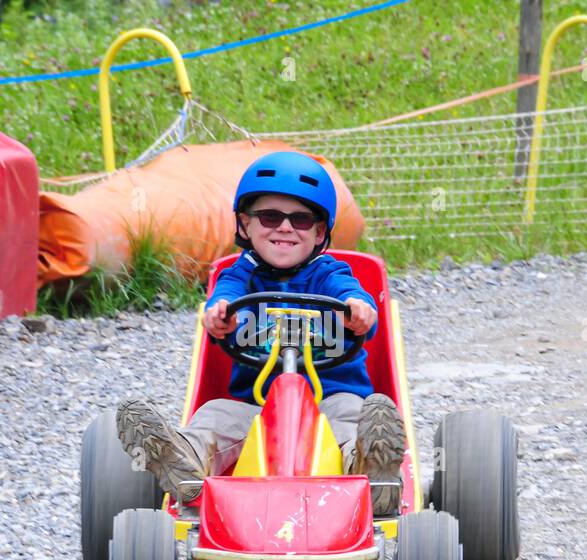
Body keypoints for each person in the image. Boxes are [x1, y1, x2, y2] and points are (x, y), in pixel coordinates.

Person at [117, 151, 408, 515]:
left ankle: (371, 471)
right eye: (270, 216)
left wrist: (358, 309)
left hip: (332, 399)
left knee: (354, 420)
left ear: (319, 232)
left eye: (300, 219)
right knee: (215, 417)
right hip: (257, 406)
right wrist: (219, 314)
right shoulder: (240, 275)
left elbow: (352, 293)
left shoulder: (329, 273)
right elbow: (225, 296)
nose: (285, 228)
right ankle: (183, 462)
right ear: (244, 225)